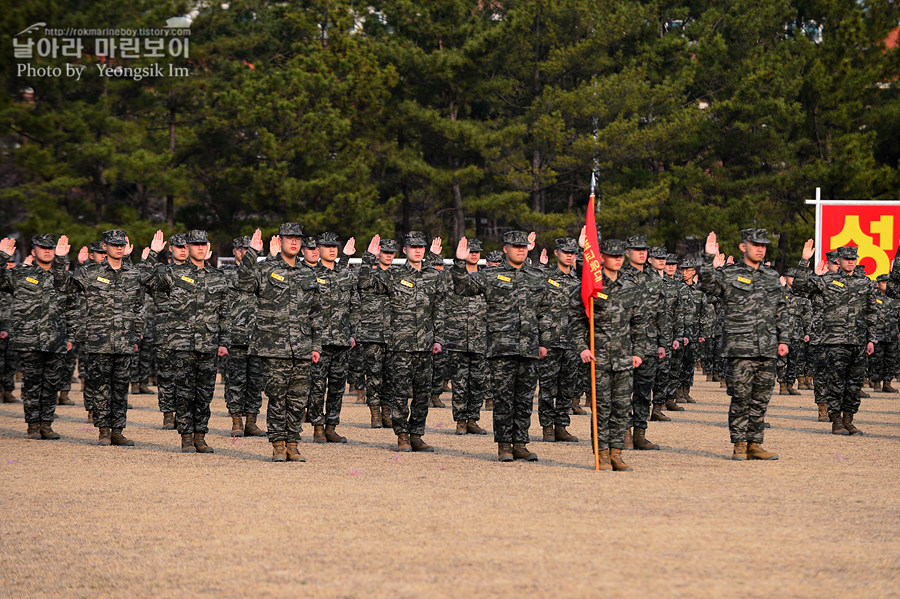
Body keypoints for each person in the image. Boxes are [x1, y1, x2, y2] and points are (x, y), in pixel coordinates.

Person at [452, 231, 550, 462]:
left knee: (525, 399)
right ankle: (505, 444)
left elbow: (545, 310)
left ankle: (521, 443)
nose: (520, 250)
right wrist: (460, 262)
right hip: (501, 347)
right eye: (516, 246)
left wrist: (544, 341)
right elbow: (463, 287)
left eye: (524, 246)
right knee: (504, 398)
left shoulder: (536, 276)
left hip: (529, 347)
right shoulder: (491, 275)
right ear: (505, 249)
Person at [698, 229, 789, 460]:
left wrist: (783, 339)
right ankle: (739, 443)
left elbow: (780, 310)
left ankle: (755, 443)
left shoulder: (770, 276)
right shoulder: (729, 274)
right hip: (739, 347)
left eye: (763, 245)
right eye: (755, 244)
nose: (760, 248)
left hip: (767, 347)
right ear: (742, 247)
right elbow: (707, 286)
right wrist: (708, 258)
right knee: (741, 397)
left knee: (761, 398)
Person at [234, 224, 322, 462]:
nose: (294, 242)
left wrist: (316, 345)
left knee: (297, 400)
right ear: (280, 241)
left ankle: (293, 444)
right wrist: (252, 252)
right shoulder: (265, 269)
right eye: (289, 238)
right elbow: (242, 284)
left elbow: (315, 313)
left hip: (302, 346)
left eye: (297, 239)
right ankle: (278, 445)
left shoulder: (308, 273)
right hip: (274, 346)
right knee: (277, 397)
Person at [52, 230, 148, 447]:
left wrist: (135, 333)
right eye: (114, 245)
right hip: (98, 341)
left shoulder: (133, 274)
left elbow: (138, 306)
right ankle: (104, 431)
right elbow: (63, 287)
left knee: (121, 387)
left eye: (122, 244)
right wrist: (59, 260)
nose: (119, 248)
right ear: (105, 247)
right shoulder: (89, 272)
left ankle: (117, 431)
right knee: (101, 387)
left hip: (123, 341)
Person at [359, 231, 444, 452]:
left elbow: (440, 309)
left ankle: (416, 434)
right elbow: (366, 284)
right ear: (405, 250)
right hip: (400, 345)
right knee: (399, 393)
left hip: (424, 345)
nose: (418, 250)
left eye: (421, 247)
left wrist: (438, 338)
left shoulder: (433, 276)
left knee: (422, 394)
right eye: (413, 247)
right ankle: (402, 435)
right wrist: (369, 257)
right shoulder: (394, 275)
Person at [146, 230, 229, 453]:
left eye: (203, 244)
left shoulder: (217, 276)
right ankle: (185, 436)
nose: (200, 248)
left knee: (204, 393)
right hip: (181, 344)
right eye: (195, 244)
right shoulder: (172, 272)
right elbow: (145, 280)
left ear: (209, 248)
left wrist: (224, 341)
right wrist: (154, 254)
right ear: (188, 247)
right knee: (184, 392)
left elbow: (224, 312)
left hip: (208, 344)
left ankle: (200, 435)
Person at [793, 243, 876, 435]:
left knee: (854, 384)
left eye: (853, 259)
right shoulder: (826, 281)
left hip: (858, 340)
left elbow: (872, 312)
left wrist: (871, 339)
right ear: (838, 260)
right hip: (834, 340)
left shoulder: (865, 282)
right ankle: (836, 420)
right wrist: (804, 261)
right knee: (836, 382)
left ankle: (849, 419)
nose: (850, 262)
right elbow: (799, 287)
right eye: (846, 259)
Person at [0, 235, 71, 440]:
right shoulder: (20, 274)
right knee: (32, 384)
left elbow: (72, 306)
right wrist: (3, 256)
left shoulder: (62, 276)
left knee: (51, 384)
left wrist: (71, 336)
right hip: (29, 339)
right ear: (33, 251)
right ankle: (32, 425)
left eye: (51, 248)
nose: (47, 251)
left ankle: (46, 425)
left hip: (55, 340)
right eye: (42, 248)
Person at [307, 232, 359, 444]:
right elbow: (306, 309)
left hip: (341, 340)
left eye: (334, 246)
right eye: (326, 246)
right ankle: (317, 427)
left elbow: (354, 305)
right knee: (317, 387)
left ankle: (331, 427)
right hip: (319, 341)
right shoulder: (309, 273)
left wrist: (353, 332)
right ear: (317, 250)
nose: (331, 249)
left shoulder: (346, 274)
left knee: (337, 387)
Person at [620, 235, 669, 451]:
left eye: (644, 250)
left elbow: (661, 314)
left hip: (648, 344)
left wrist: (662, 343)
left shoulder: (655, 280)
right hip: (623, 344)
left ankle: (640, 433)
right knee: (622, 391)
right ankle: (624, 433)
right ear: (627, 252)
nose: (642, 253)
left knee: (643, 392)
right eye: (636, 249)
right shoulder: (618, 277)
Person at [536, 237, 583, 443]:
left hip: (572, 340)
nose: (570, 255)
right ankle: (547, 427)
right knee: (547, 385)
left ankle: (561, 426)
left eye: (573, 252)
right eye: (566, 252)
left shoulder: (578, 280)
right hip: (550, 340)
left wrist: (583, 247)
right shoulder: (546, 276)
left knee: (567, 386)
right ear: (557, 253)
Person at [221, 235, 265, 437]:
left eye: (249, 249)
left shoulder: (262, 273)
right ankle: (236, 421)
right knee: (235, 381)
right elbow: (243, 279)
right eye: (241, 249)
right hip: (235, 336)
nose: (245, 252)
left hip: (257, 336)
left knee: (255, 382)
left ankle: (251, 421)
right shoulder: (227, 273)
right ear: (234, 251)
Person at [443, 238, 489, 436]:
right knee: (460, 382)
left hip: (481, 337)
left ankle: (473, 419)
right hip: (457, 336)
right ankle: (460, 420)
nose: (474, 254)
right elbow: (441, 300)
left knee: (479, 381)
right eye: (471, 251)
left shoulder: (487, 277)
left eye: (477, 251)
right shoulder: (450, 276)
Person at [355, 238, 397, 428]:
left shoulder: (399, 274)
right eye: (385, 252)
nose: (389, 255)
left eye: (392, 252)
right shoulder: (368, 273)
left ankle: (387, 412)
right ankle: (375, 414)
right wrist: (367, 257)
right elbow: (363, 282)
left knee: (390, 375)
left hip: (394, 333)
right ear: (378, 254)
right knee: (373, 375)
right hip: (371, 332)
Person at [871, 274, 900, 393]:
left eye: (888, 282)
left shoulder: (895, 299)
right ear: (878, 284)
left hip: (892, 334)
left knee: (891, 360)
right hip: (877, 334)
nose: (887, 285)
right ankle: (876, 382)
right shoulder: (873, 298)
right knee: (876, 359)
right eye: (884, 282)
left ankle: (887, 383)